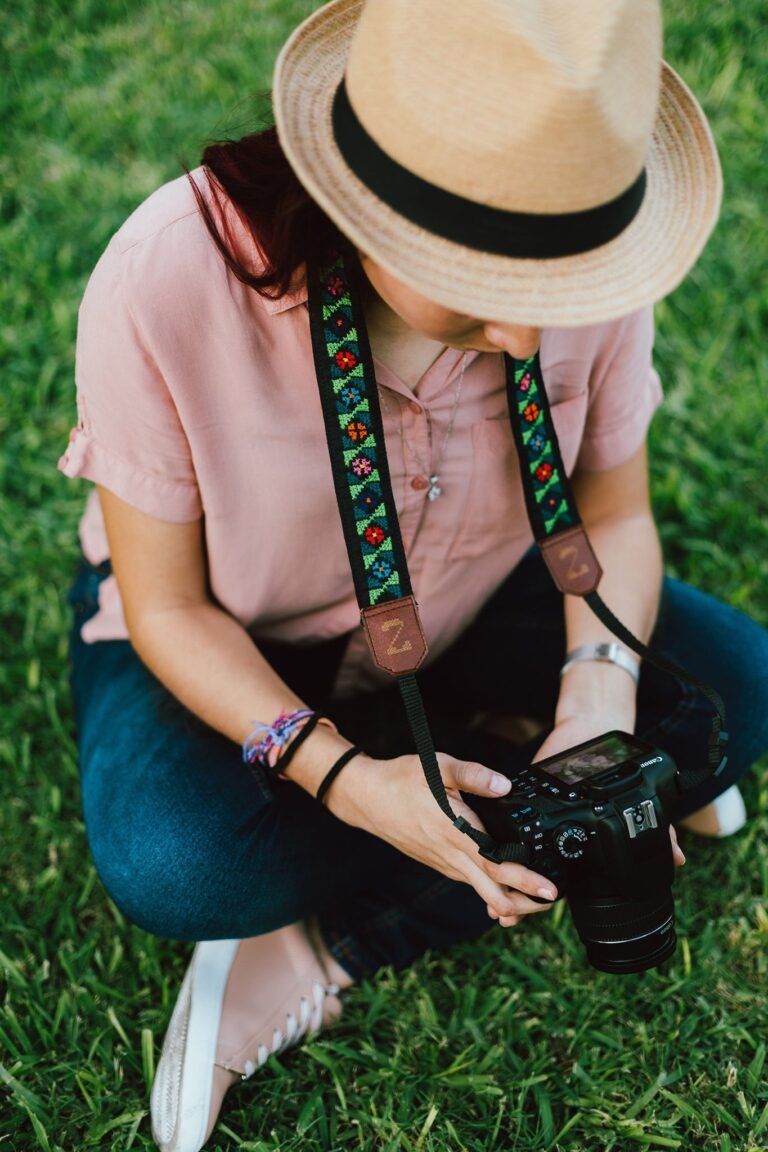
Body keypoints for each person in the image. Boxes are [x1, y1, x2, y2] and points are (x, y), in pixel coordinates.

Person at [59, 1, 768, 1150]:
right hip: (233, 631)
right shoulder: (168, 276)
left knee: (742, 681)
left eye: (560, 291)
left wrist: (596, 700)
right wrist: (344, 778)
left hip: (479, 593)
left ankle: (325, 941)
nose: (528, 338)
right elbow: (169, 605)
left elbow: (614, 519)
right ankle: (475, 808)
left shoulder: (582, 245)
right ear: (357, 200)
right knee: (179, 864)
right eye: (484, 285)